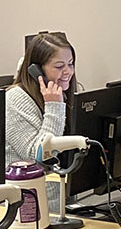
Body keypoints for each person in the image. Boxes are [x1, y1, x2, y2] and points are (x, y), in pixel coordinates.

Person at [5, 33, 76, 165]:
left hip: (54, 182)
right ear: (36, 69)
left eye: (70, 64)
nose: (68, 72)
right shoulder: (14, 99)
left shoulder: (62, 95)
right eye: (59, 66)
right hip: (24, 183)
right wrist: (54, 106)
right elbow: (39, 157)